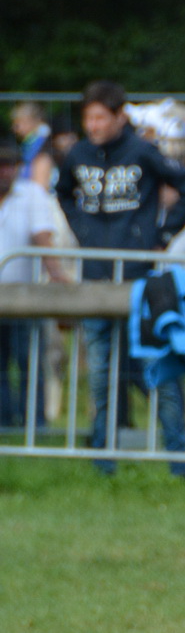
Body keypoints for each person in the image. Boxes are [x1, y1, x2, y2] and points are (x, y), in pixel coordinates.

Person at [55, 80, 185, 475]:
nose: (93, 125)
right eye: (88, 118)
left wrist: (162, 235)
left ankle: (179, 462)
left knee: (159, 367)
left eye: (100, 118)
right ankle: (102, 462)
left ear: (120, 116)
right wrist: (82, 230)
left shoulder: (143, 152)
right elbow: (64, 192)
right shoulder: (77, 154)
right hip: (96, 278)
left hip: (142, 280)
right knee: (100, 374)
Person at [0, 139, 66, 427]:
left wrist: (58, 277)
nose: (5, 171)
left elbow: (43, 238)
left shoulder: (32, 194)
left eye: (10, 165)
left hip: (23, 296)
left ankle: (34, 423)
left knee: (28, 360)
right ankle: (4, 423)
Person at [10, 101, 53, 190]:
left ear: (29, 121)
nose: (14, 129)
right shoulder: (30, 142)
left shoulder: (42, 143)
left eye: (17, 124)